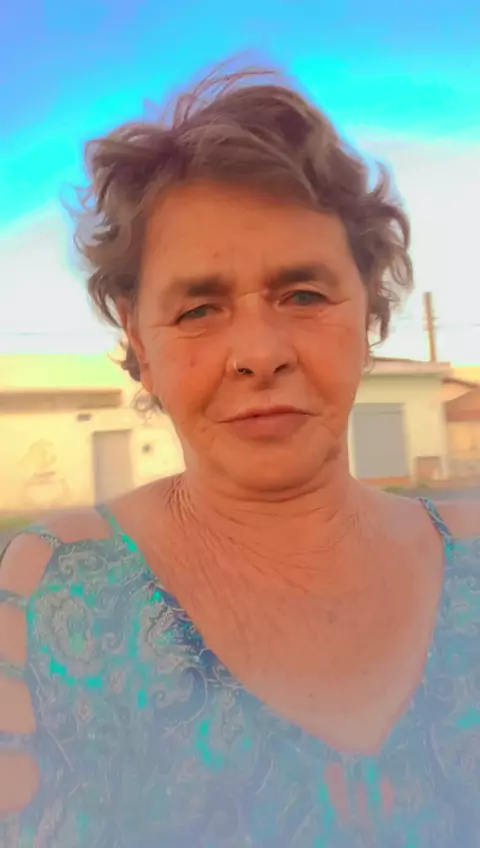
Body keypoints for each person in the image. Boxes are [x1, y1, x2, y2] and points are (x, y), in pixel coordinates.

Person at [1, 62, 479, 848]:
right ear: (139, 342)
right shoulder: (52, 594)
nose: (259, 353)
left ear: (368, 314)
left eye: (304, 295)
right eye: (198, 308)